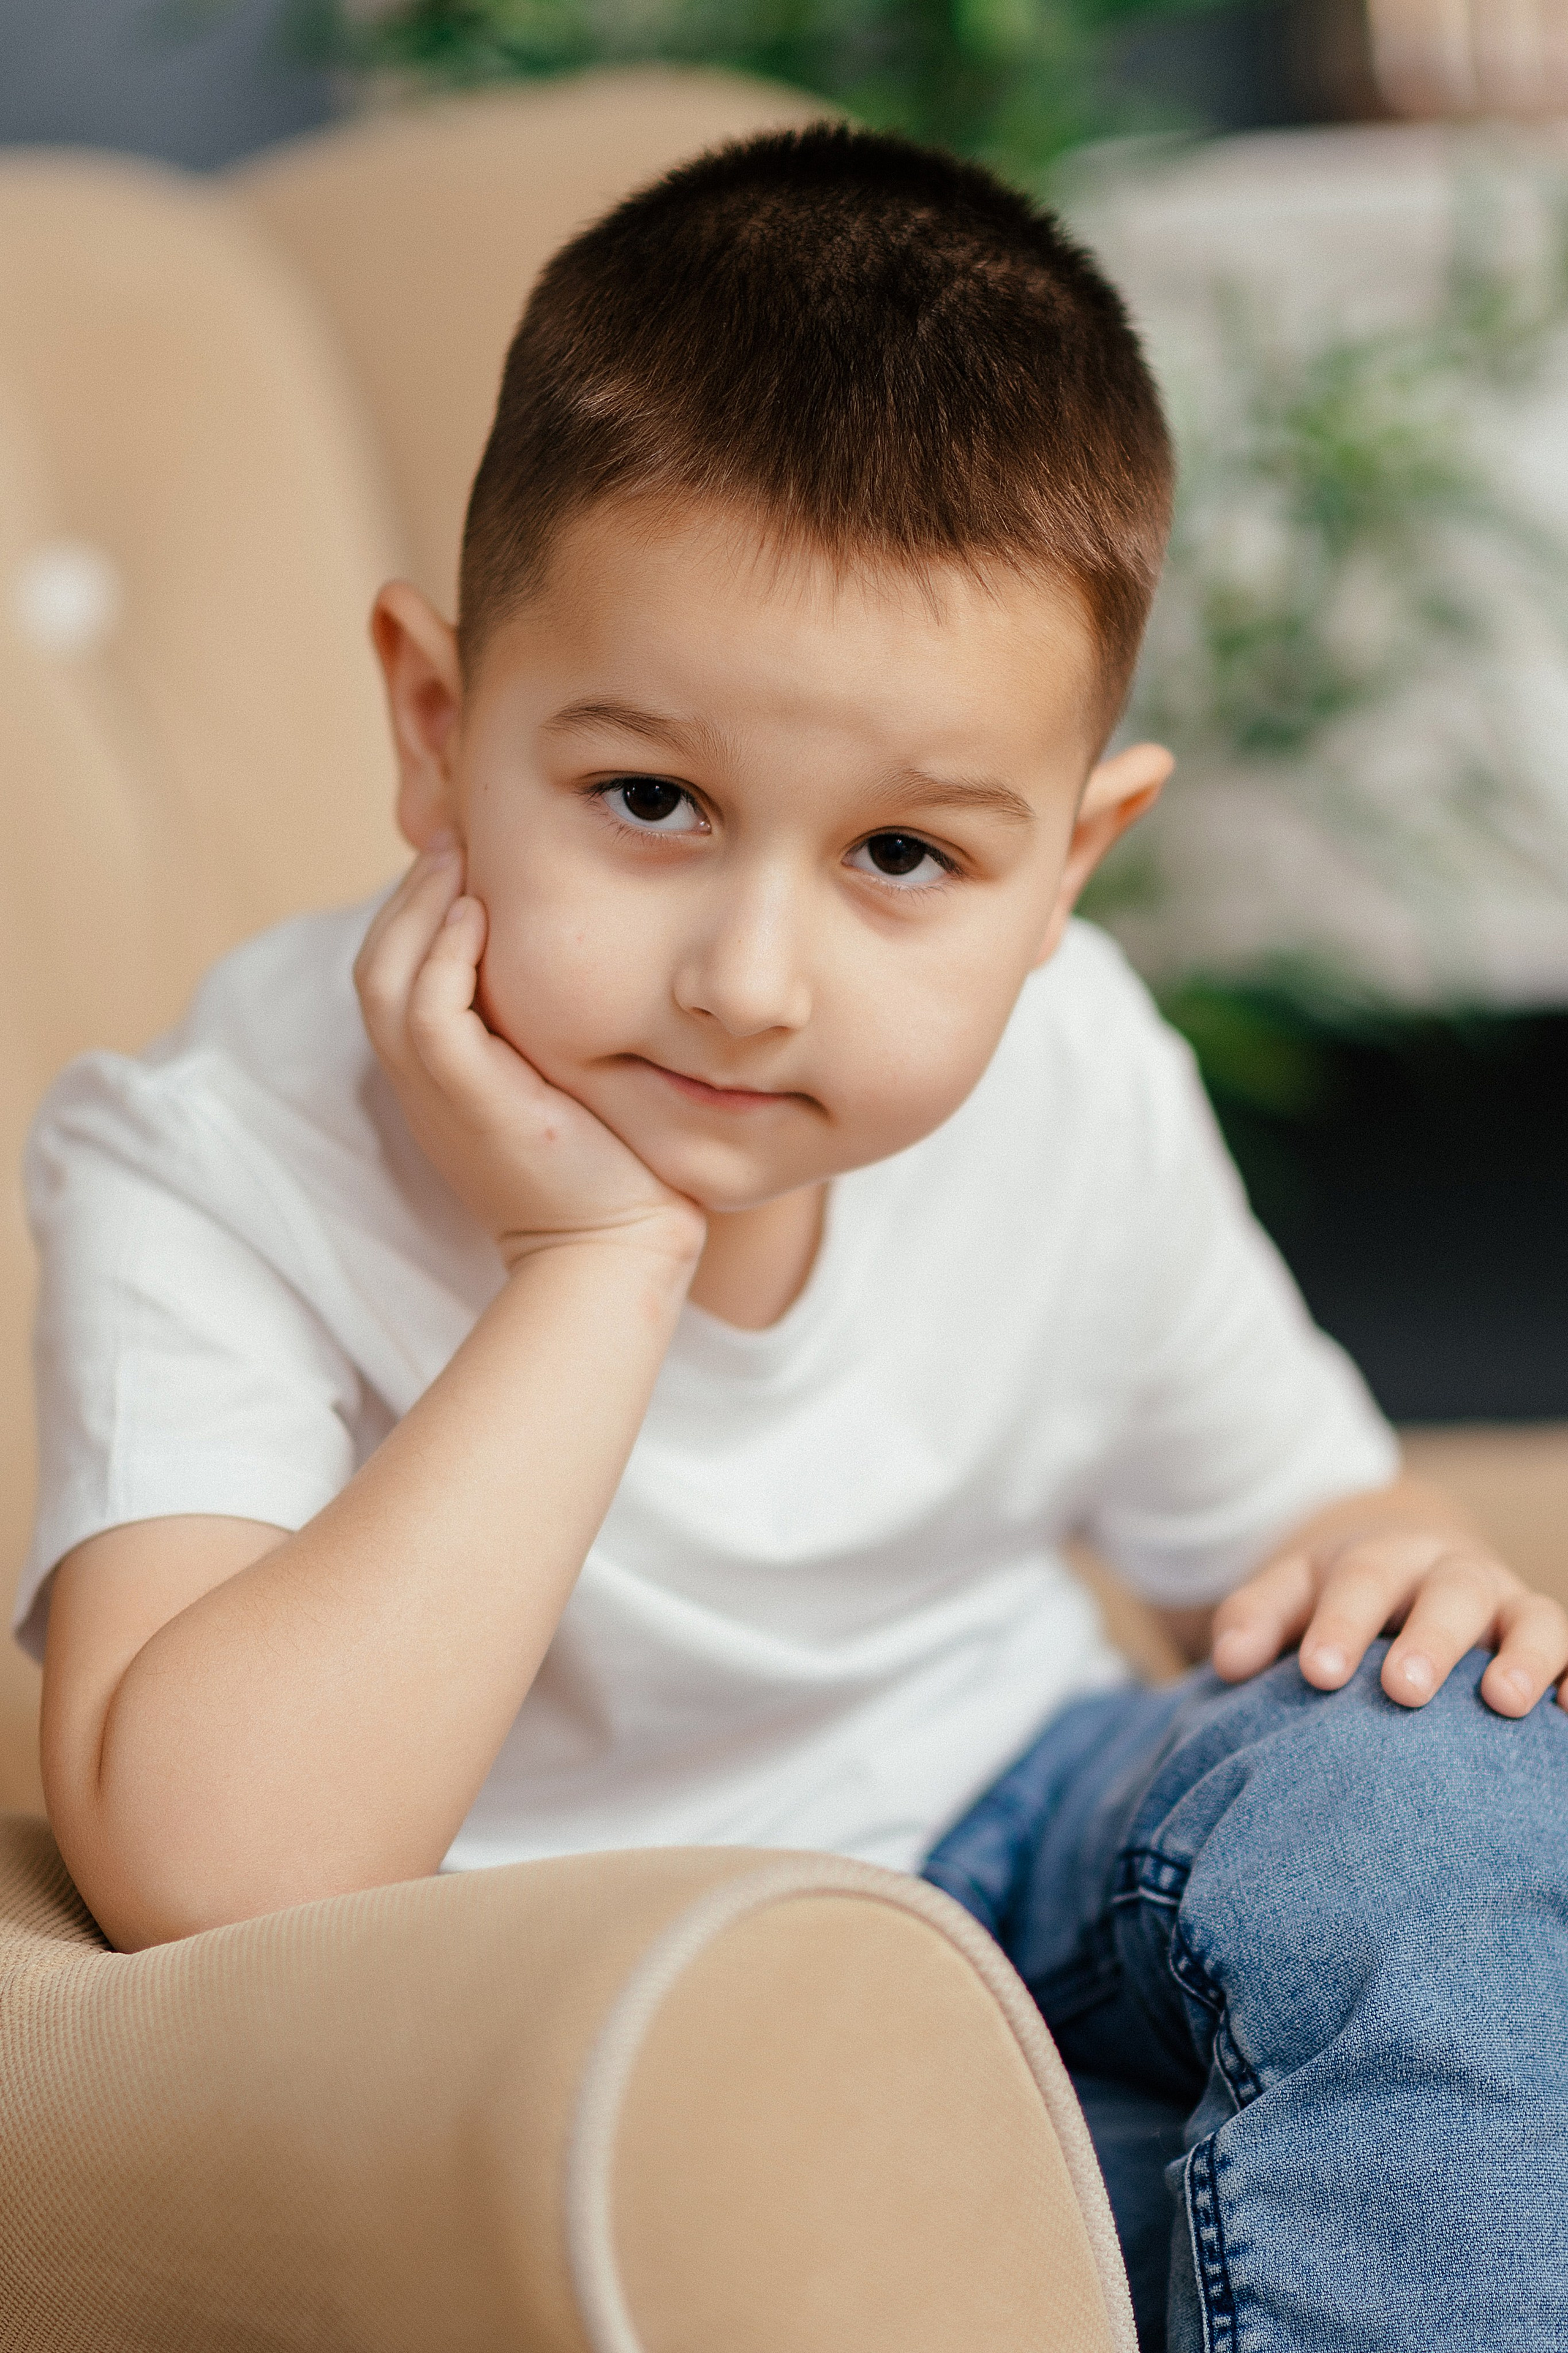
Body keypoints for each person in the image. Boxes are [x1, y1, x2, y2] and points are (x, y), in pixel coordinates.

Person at [16, 125, 1567, 2349]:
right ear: (439, 732)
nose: (753, 974)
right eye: (650, 802)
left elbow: (1302, 1539)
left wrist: (1411, 1587)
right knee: (947, 2215)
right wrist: (593, 1266)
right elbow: (210, 1867)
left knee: (1453, 1806)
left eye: (909, 857)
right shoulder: (213, 1156)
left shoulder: (1079, 1071)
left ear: (1070, 867)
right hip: (580, 1988)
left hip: (1022, 1830)